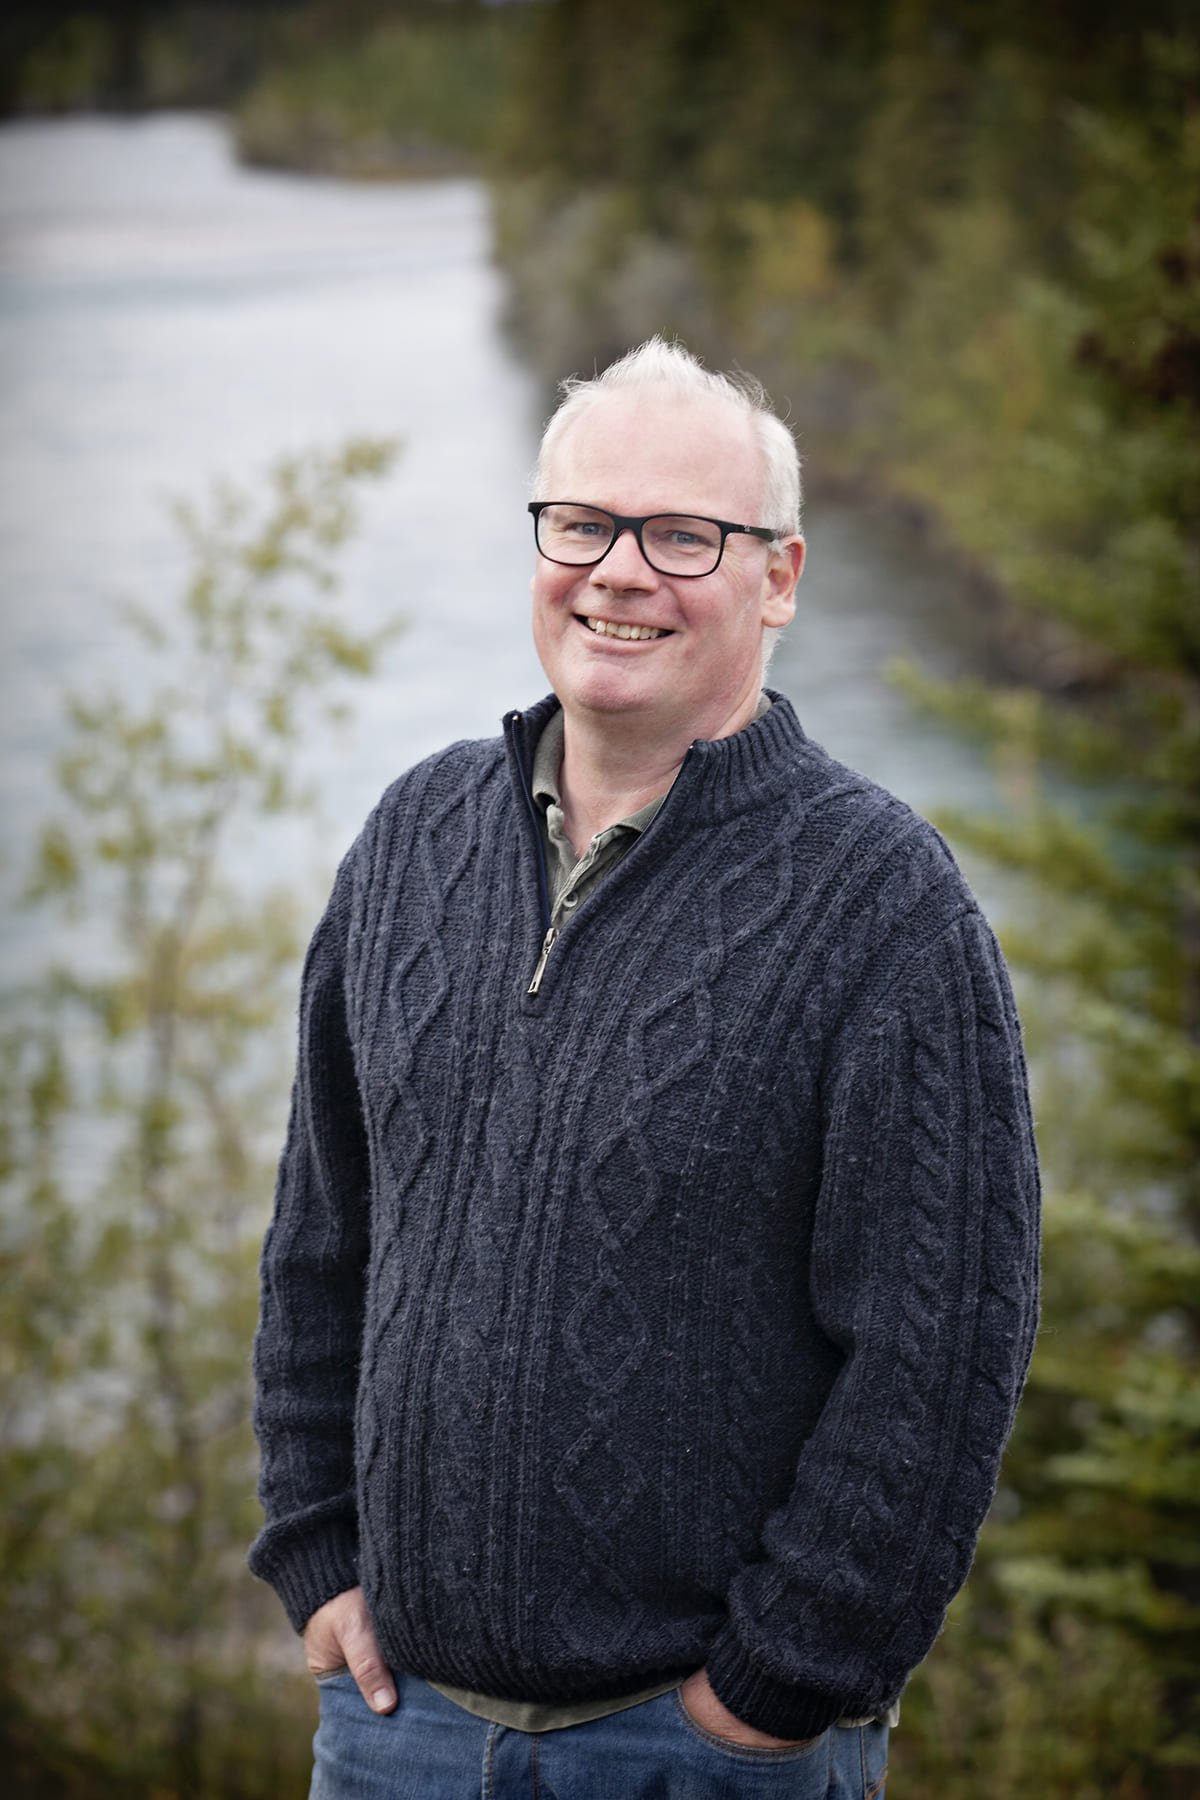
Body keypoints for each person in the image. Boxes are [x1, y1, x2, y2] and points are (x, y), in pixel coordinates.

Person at [249, 337, 1041, 1799]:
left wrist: (772, 1691)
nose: (620, 572)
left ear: (780, 577)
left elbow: (940, 1353)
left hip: (699, 1754)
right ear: (540, 541)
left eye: (685, 536)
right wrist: (315, 1553)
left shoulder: (885, 908)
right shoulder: (412, 843)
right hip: (394, 1728)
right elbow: (321, 1242)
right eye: (583, 523)